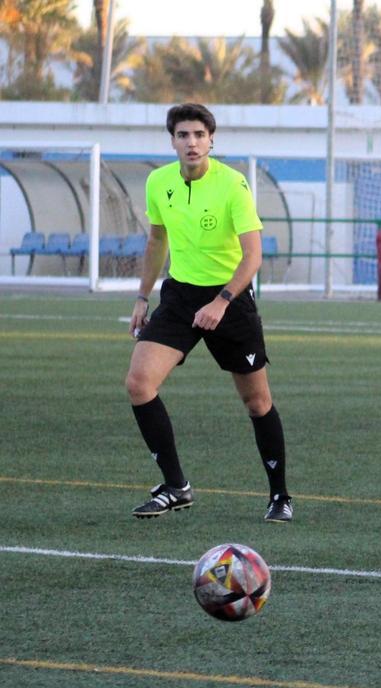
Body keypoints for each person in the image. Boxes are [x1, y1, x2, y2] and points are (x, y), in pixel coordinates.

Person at [127, 102, 292, 522]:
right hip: (180, 296)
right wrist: (142, 297)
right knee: (139, 383)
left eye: (199, 135)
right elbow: (156, 240)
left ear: (211, 140)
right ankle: (176, 486)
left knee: (257, 402)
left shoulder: (233, 185)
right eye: (183, 135)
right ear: (173, 141)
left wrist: (222, 301)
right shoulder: (158, 182)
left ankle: (280, 496)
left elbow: (253, 256)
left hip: (230, 299)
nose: (192, 142)